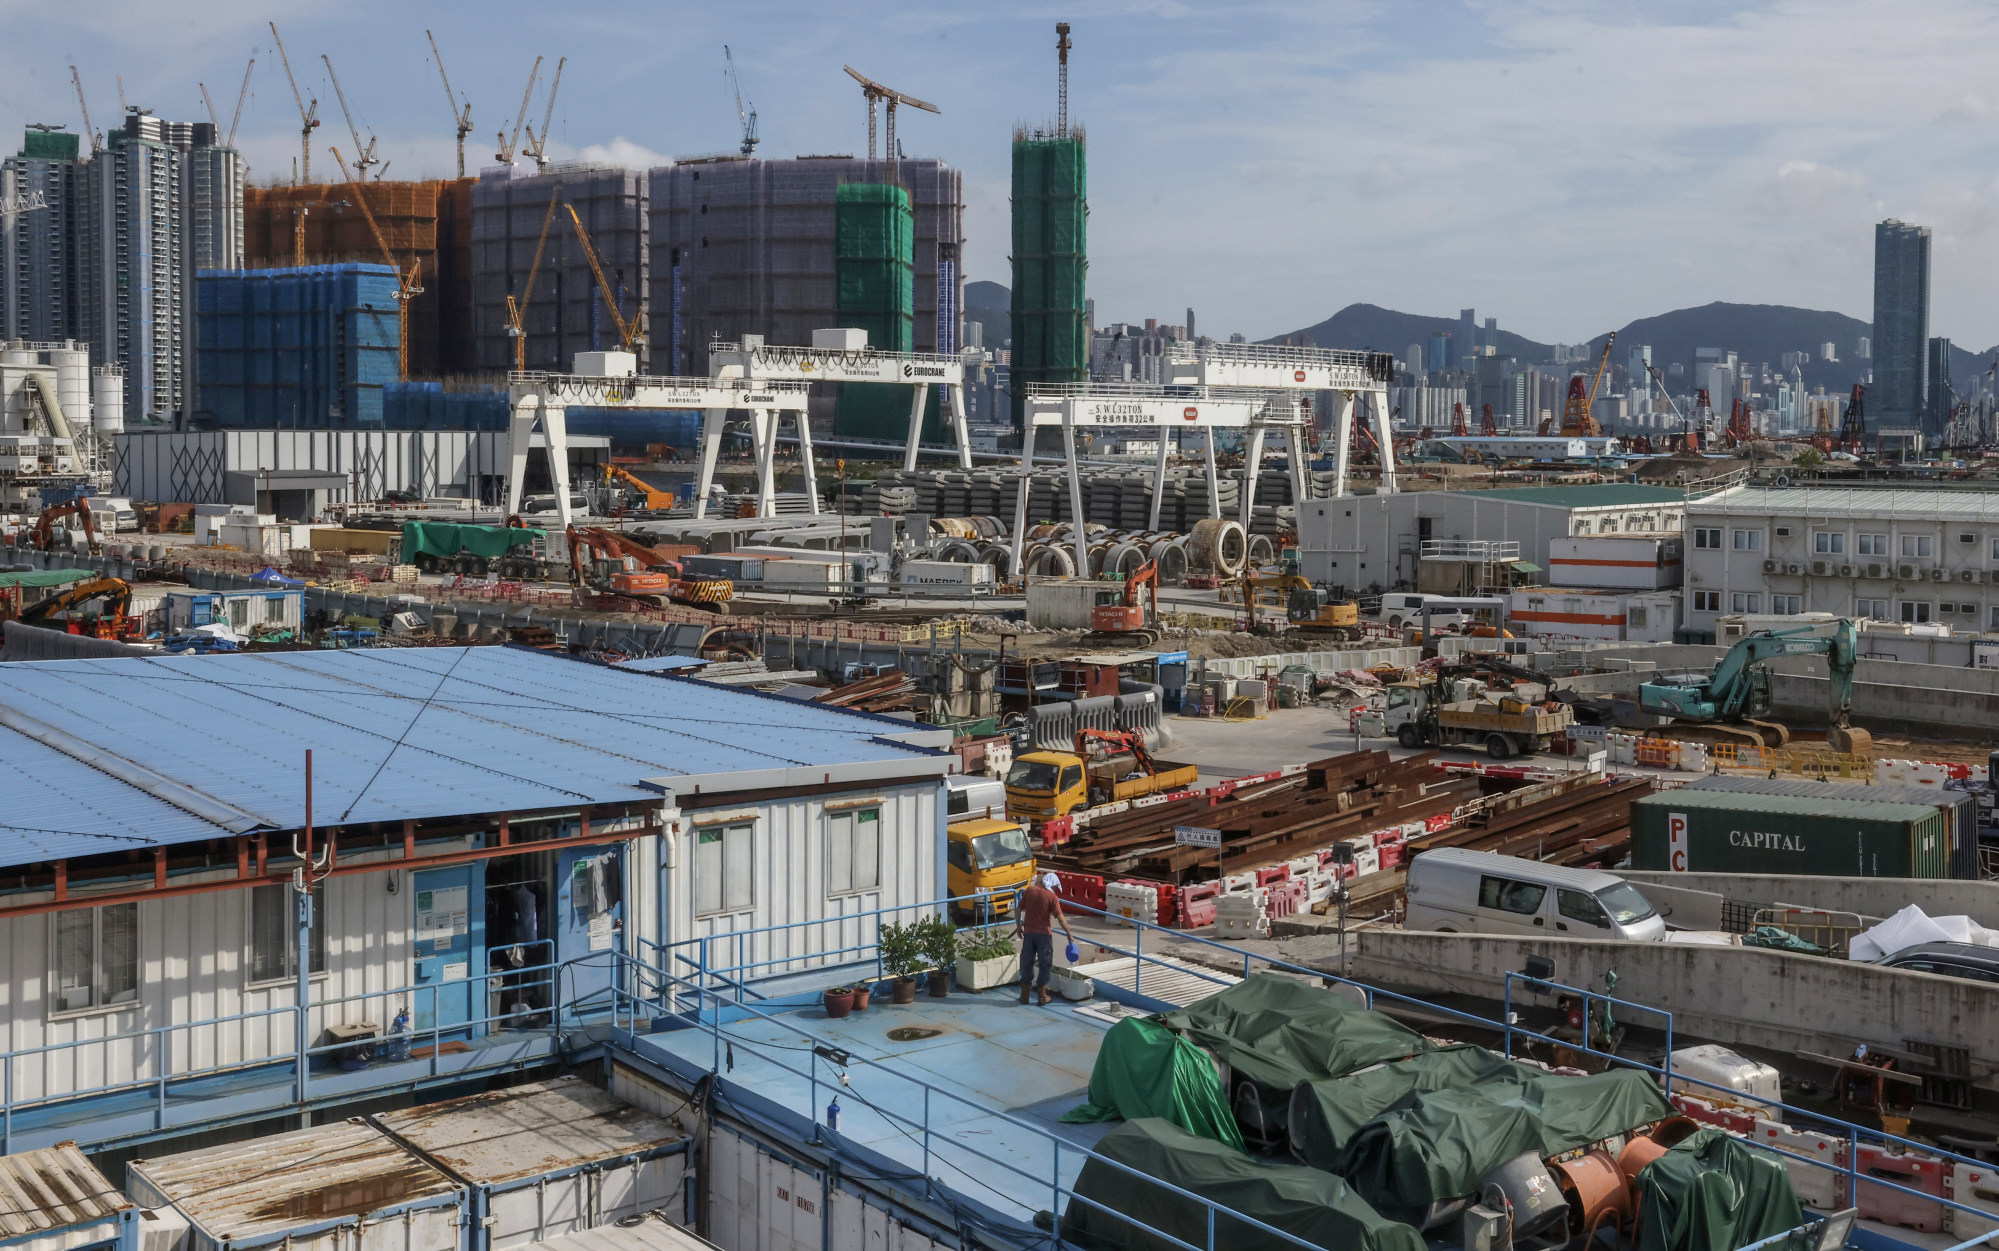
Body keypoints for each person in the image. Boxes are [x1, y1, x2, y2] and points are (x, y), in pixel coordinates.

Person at [1016, 871, 1076, 1006]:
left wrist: (1019, 926)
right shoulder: (1052, 897)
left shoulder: (1030, 891)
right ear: (1054, 885)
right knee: (1044, 964)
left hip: (1029, 935)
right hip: (1043, 936)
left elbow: (1018, 909)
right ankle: (1042, 996)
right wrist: (1069, 934)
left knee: (1027, 962)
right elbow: (1060, 919)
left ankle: (1024, 995)